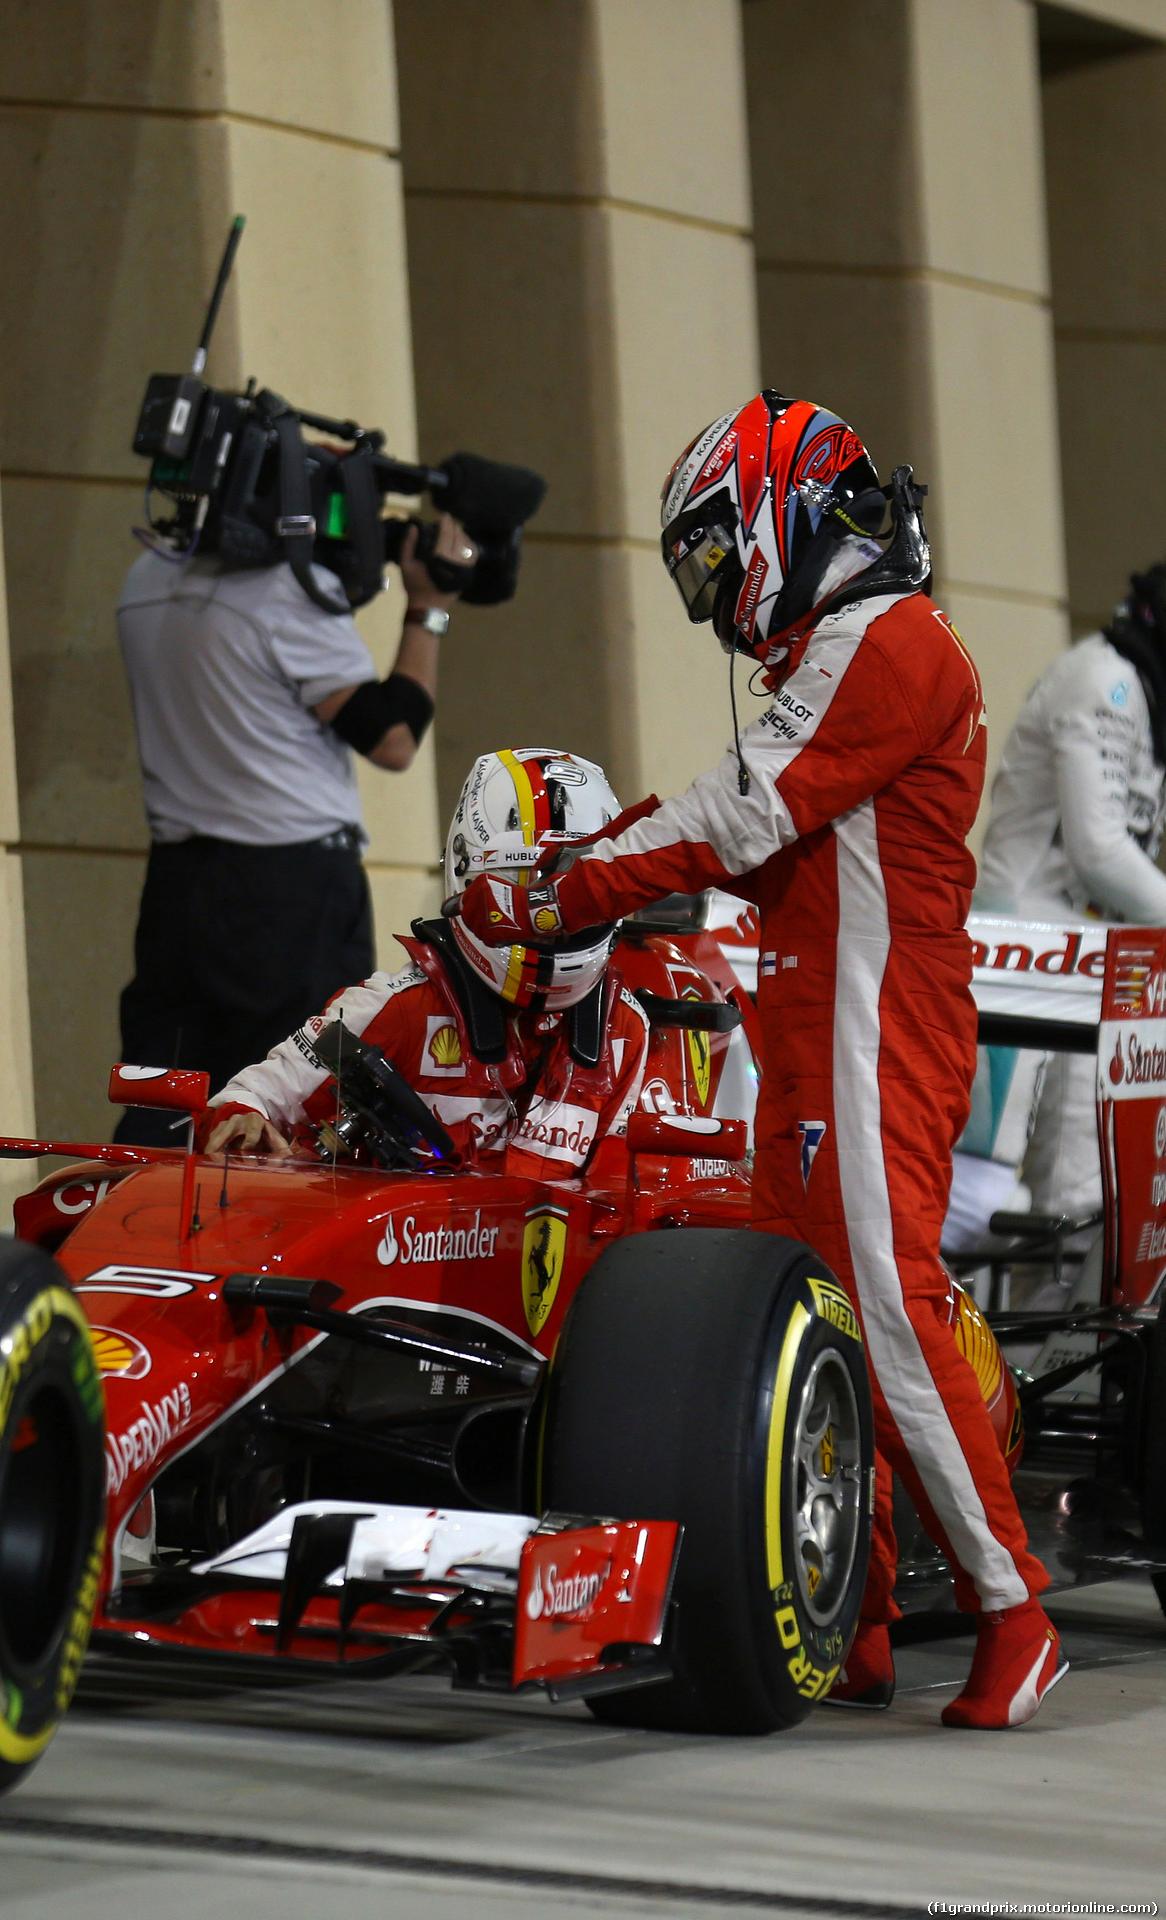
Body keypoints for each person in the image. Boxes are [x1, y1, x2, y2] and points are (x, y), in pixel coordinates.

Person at [454, 391, 1065, 1731]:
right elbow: (739, 824)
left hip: (874, 1018)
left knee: (889, 1308)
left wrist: (558, 892)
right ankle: (860, 1616)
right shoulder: (848, 650)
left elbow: (732, 819)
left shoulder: (889, 642)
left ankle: (1015, 1608)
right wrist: (588, 872)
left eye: (718, 557)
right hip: (818, 1018)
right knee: (826, 1318)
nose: (714, 595)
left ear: (788, 512)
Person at [114, 516, 472, 1144]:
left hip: (178, 883)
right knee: (296, 1096)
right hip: (288, 894)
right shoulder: (283, 593)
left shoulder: (146, 576)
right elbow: (392, 737)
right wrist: (428, 606)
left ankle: (133, 1232)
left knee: (167, 1096)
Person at [203, 748, 650, 1182]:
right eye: (522, 894)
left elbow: (617, 1204)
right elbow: (247, 1099)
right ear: (466, 877)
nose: (549, 922)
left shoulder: (625, 1028)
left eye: (576, 897)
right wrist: (244, 1118)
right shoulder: (392, 1006)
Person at [975, 563, 1166, 1223]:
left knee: (1084, 1204)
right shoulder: (1104, 678)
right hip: (1020, 958)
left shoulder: (1147, 689)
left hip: (1095, 962)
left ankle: (1046, 1331)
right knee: (983, 1194)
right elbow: (1100, 851)